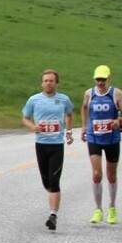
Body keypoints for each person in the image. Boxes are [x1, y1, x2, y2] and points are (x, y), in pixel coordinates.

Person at [22, 69, 75, 231]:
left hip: (57, 145)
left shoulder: (64, 99)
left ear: (56, 83)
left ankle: (53, 215)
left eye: (51, 81)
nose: (48, 83)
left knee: (54, 181)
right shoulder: (34, 100)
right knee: (46, 181)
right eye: (46, 81)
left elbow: (70, 114)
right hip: (41, 144)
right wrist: (33, 127)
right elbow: (25, 118)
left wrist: (69, 132)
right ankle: (52, 200)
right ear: (42, 83)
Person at [80, 64, 122, 225]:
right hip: (94, 137)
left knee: (111, 175)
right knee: (96, 174)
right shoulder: (89, 93)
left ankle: (112, 207)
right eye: (98, 79)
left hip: (112, 138)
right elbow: (84, 108)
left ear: (109, 78)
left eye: (103, 79)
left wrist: (118, 121)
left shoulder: (116, 93)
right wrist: (84, 127)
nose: (100, 83)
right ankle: (98, 209)